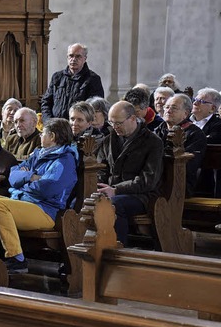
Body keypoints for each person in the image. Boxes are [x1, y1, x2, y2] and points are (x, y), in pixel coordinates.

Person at [0, 118, 78, 274]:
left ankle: (16, 259)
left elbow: (47, 188)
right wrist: (30, 177)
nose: (40, 136)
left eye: (43, 133)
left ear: (52, 136)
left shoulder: (64, 160)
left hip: (44, 210)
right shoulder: (39, 154)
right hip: (25, 201)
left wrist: (24, 183)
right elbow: (13, 175)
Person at [96, 101, 163, 245]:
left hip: (141, 195)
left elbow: (148, 180)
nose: (114, 127)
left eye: (118, 123)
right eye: (111, 122)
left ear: (133, 118)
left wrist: (116, 190)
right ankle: (87, 253)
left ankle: (118, 251)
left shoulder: (152, 142)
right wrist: (99, 186)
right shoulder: (108, 140)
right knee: (80, 201)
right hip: (110, 191)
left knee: (113, 204)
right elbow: (101, 168)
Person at [154, 94, 206, 198]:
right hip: (155, 180)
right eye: (167, 107)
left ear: (186, 113)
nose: (168, 110)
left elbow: (188, 165)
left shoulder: (195, 134)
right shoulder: (158, 130)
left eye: (174, 108)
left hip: (179, 184)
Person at [41, 43, 104, 120]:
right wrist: (48, 121)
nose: (73, 59)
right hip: (55, 125)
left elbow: (95, 107)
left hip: (78, 126)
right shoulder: (57, 77)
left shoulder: (93, 79)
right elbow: (46, 102)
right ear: (67, 57)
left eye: (78, 56)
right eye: (71, 56)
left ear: (85, 58)